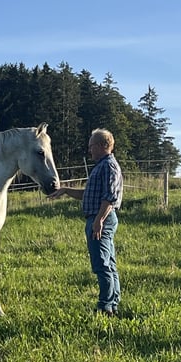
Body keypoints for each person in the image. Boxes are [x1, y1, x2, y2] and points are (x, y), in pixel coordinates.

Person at [50, 128, 123, 316]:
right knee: (108, 262)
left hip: (101, 218)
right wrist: (66, 190)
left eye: (91, 146)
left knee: (101, 263)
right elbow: (88, 195)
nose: (89, 150)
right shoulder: (101, 166)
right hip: (99, 217)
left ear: (102, 145)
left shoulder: (108, 166)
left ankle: (105, 306)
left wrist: (99, 220)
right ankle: (112, 302)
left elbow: (110, 198)